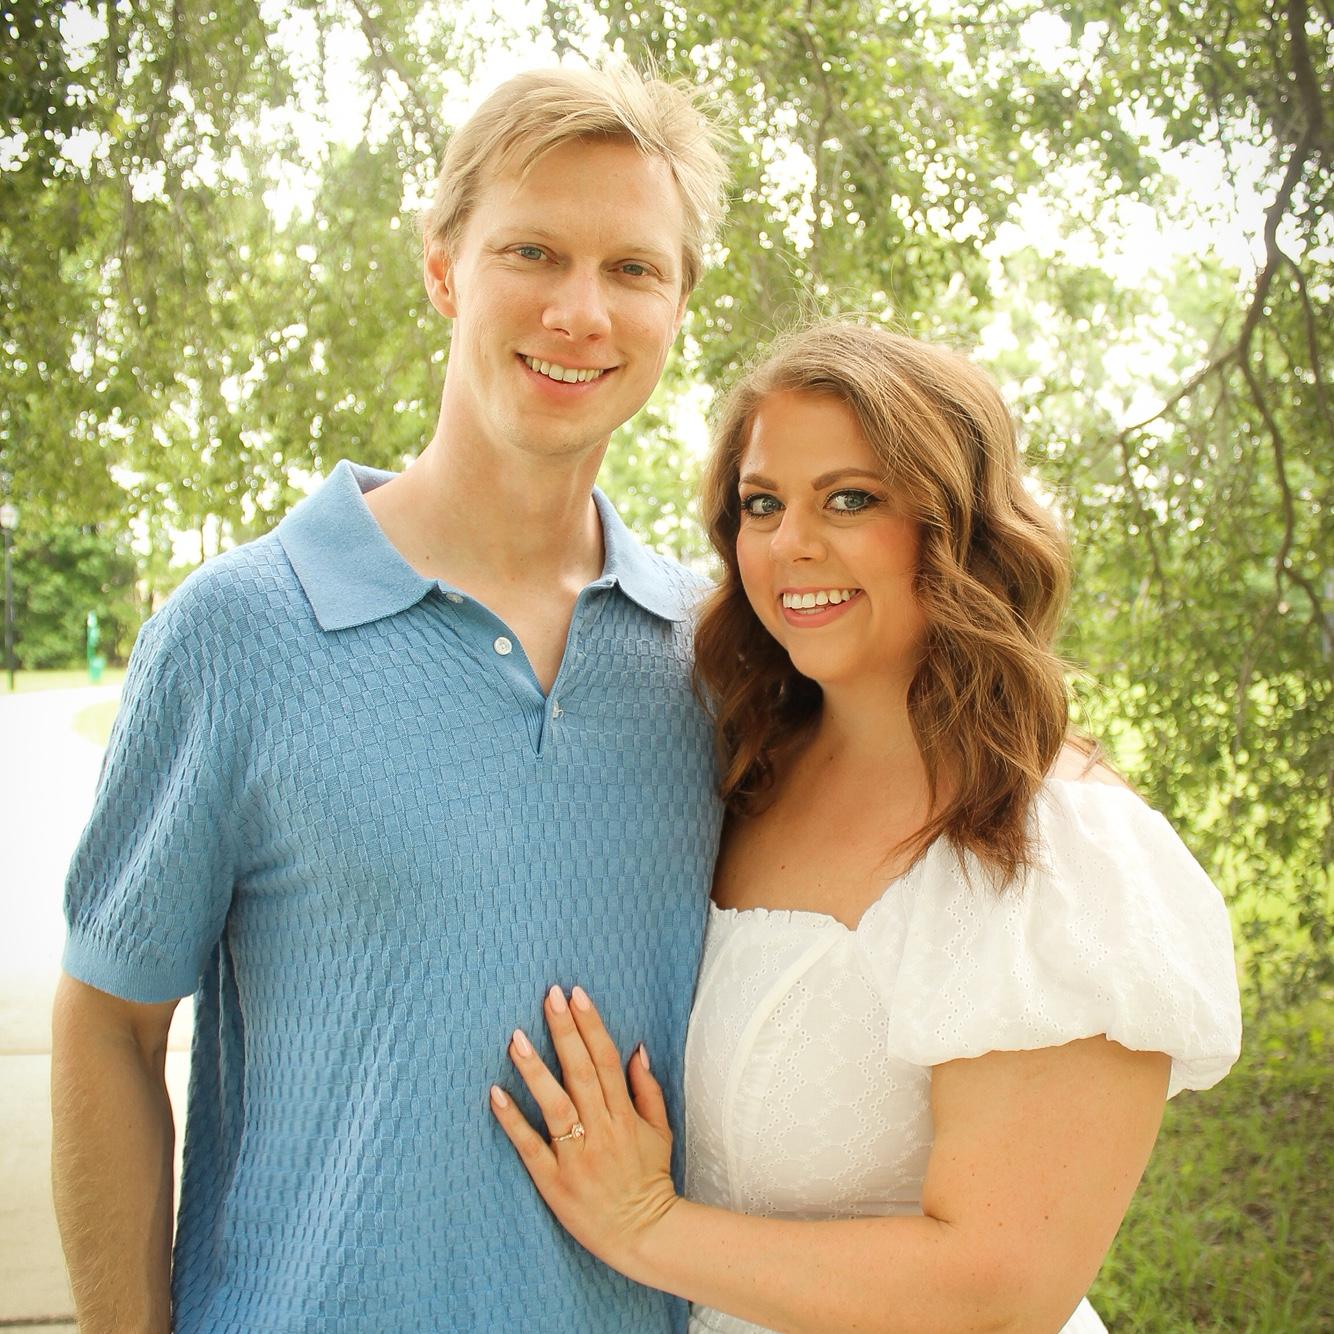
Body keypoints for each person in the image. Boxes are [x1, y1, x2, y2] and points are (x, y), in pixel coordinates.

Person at [52, 64, 729, 1333]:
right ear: (442, 270)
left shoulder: (712, 656)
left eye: (632, 268)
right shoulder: (234, 632)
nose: (580, 310)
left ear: (678, 302)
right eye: (531, 250)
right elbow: (108, 1027)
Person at [489, 321, 1244, 1333]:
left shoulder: (1055, 848)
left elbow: (1000, 1288)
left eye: (850, 497)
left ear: (956, 525)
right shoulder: (735, 768)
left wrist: (643, 1225)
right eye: (762, 503)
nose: (791, 542)